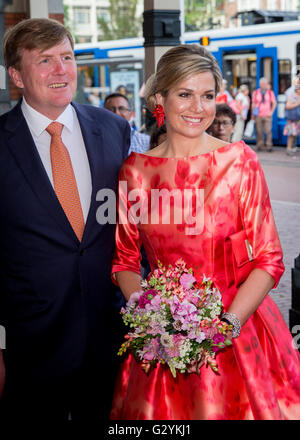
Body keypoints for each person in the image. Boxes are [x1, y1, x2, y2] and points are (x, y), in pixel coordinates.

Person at [109, 44, 300, 420]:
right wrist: (152, 319)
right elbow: (125, 261)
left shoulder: (239, 162)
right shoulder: (134, 171)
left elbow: (269, 260)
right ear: (160, 98)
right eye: (185, 94)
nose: (199, 108)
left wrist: (225, 326)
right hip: (163, 341)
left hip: (238, 329)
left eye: (208, 95)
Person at [0, 18, 130, 425]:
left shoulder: (115, 129)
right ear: (16, 75)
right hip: (30, 347)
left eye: (67, 57)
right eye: (45, 60)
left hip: (112, 341)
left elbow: (132, 226)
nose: (61, 70)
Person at [251, 77, 277, 152]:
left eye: (265, 84)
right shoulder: (256, 92)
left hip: (267, 115)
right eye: (262, 84)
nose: (263, 85)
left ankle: (269, 146)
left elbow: (274, 103)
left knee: (268, 131)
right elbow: (253, 103)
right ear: (259, 84)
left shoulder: (270, 92)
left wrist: (271, 112)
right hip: (258, 114)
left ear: (266, 84)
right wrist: (253, 114)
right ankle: (260, 145)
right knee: (259, 131)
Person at [283, 76, 300, 156]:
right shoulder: (292, 96)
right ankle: (289, 148)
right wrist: (297, 103)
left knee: (295, 134)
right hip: (292, 119)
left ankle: (293, 147)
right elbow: (287, 106)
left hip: (297, 119)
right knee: (291, 134)